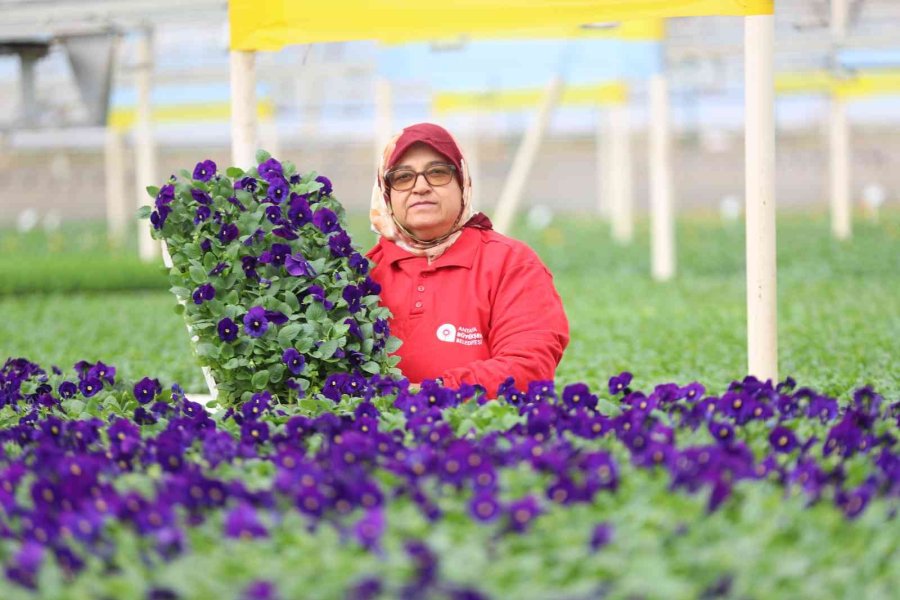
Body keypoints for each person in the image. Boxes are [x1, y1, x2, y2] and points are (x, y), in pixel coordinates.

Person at [366, 122, 569, 397]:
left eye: (437, 173)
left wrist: (430, 394)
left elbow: (528, 368)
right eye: (402, 177)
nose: (421, 187)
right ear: (385, 193)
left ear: (463, 183)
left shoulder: (511, 263)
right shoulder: (363, 274)